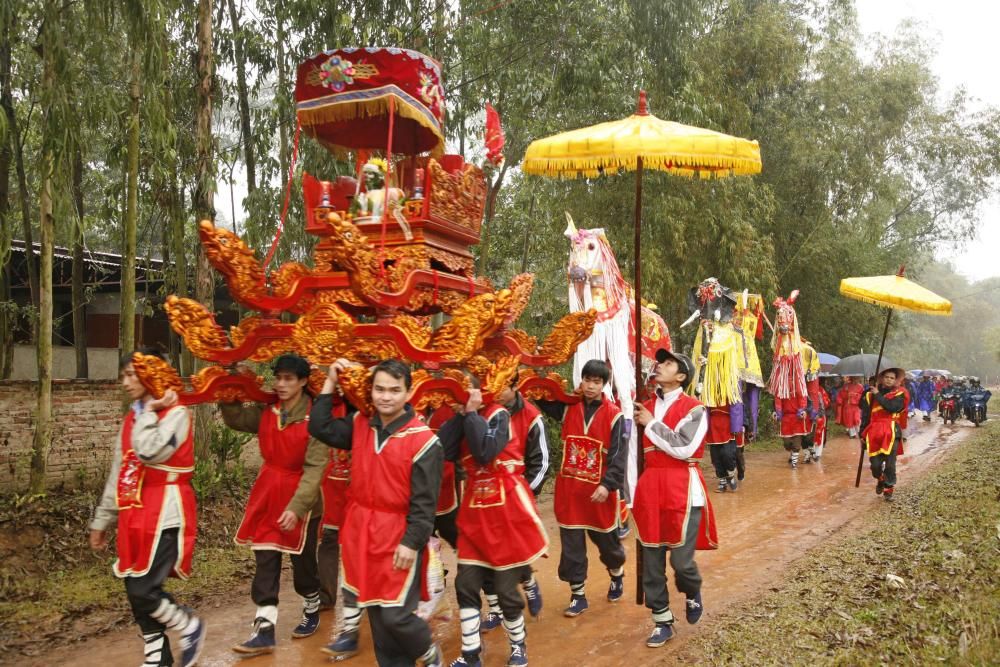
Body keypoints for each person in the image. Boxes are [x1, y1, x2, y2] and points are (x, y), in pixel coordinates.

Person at [308, 359, 444, 667]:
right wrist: (330, 382)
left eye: (395, 390)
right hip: (361, 530)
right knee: (377, 616)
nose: (386, 397)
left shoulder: (424, 441)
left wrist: (411, 543)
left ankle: (426, 650)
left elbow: (425, 503)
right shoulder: (360, 424)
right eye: (379, 389)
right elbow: (319, 426)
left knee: (395, 614)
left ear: (409, 393)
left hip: (397, 534)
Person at [89, 349, 205, 667]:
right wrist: (102, 520)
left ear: (149, 373)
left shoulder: (176, 414)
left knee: (145, 587)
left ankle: (187, 625)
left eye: (130, 374)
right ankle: (158, 655)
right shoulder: (133, 416)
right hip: (132, 509)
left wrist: (152, 411)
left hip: (165, 506)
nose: (124, 382)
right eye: (122, 376)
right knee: (132, 584)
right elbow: (120, 469)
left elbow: (149, 452)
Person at [436, 380, 548, 667]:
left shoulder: (499, 414)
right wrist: (461, 415)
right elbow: (443, 451)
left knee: (505, 588)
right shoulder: (464, 416)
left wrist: (472, 413)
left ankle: (518, 646)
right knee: (466, 583)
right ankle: (472, 654)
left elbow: (485, 451)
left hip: (505, 508)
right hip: (475, 511)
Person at [223, 354, 326, 655]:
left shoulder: (316, 418)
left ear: (303, 381)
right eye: (278, 378)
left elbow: (315, 469)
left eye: (288, 379)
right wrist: (229, 393)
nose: (280, 384)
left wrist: (296, 508)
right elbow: (236, 419)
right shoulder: (268, 410)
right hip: (268, 493)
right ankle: (264, 628)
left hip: (302, 500)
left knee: (303, 565)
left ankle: (312, 602)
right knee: (265, 556)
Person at [632, 348, 718, 647]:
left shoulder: (694, 409)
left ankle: (692, 590)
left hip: (683, 488)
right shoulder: (642, 406)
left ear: (681, 375)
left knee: (681, 561)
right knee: (651, 558)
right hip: (650, 488)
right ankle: (662, 619)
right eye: (661, 361)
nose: (660, 366)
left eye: (668, 363)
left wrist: (651, 424)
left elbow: (683, 447)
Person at [534, 359, 628, 617]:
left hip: (599, 493)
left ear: (604, 385)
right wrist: (538, 371)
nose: (590, 386)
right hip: (571, 491)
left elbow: (619, 456)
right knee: (572, 546)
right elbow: (540, 395)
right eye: (587, 380)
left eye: (596, 382)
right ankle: (578, 595)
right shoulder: (568, 409)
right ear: (581, 380)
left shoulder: (614, 416)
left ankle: (616, 573)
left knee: (608, 545)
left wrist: (607, 485)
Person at [480, 374, 549, 628]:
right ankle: (497, 609)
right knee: (485, 552)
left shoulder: (531, 416)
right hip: (483, 496)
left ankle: (528, 583)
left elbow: (541, 463)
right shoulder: (480, 410)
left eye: (501, 386)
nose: (494, 390)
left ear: (514, 386)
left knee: (512, 550)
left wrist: (524, 496)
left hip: (516, 495)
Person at [860, 367, 908, 502]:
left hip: (892, 431)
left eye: (892, 378)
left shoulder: (900, 394)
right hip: (873, 431)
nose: (889, 380)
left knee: (890, 463)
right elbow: (865, 415)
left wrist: (877, 395)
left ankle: (889, 487)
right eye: (887, 377)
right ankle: (880, 479)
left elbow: (893, 407)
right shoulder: (870, 394)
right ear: (881, 378)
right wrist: (862, 434)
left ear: (896, 380)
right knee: (875, 464)